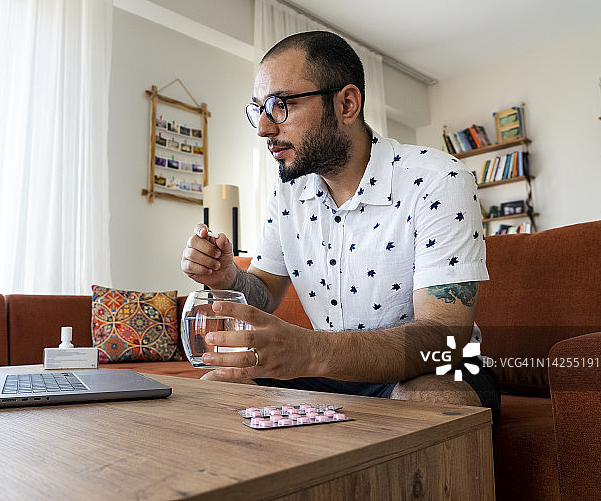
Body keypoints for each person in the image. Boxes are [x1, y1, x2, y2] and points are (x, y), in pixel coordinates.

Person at [180, 31, 500, 425]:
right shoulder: (288, 196)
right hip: (328, 374)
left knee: (428, 399)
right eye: (259, 108)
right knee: (217, 387)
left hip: (428, 370)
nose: (263, 128)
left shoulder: (438, 179)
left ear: (347, 103)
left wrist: (306, 350)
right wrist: (226, 275)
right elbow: (261, 294)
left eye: (280, 105)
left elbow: (444, 339)